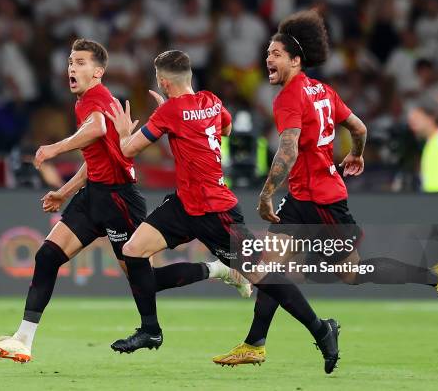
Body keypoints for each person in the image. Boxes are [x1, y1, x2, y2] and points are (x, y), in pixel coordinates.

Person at [214, 10, 438, 367]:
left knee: (352, 274)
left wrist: (267, 192)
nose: (268, 58)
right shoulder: (324, 91)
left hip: (321, 202)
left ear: (296, 60)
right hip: (304, 197)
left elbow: (287, 148)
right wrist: (356, 155)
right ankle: (255, 343)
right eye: (267, 52)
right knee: (268, 265)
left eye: (276, 53)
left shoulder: (289, 97)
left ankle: (433, 276)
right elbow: (359, 128)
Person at [0, 39, 250, 364]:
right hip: (93, 195)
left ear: (98, 71)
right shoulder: (83, 100)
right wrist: (65, 192)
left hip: (119, 199)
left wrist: (54, 148)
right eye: (70, 61)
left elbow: (96, 129)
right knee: (47, 257)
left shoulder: (99, 99)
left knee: (144, 280)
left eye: (80, 62)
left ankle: (219, 270)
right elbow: (96, 157)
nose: (72, 67)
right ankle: (23, 340)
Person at [105, 50, 341, 374]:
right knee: (133, 252)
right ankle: (151, 330)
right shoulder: (211, 101)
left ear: (161, 81)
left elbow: (128, 151)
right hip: (185, 203)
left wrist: (122, 131)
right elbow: (226, 130)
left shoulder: (170, 110)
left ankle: (321, 329)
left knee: (264, 276)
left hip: (217, 210)